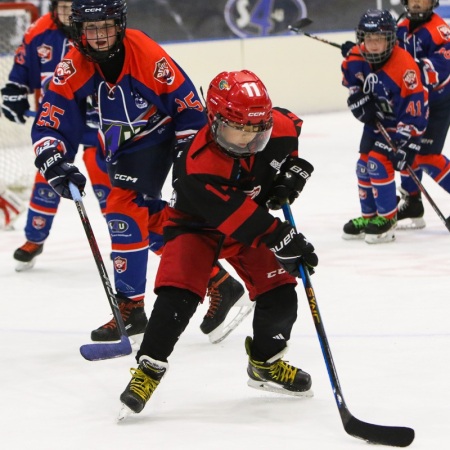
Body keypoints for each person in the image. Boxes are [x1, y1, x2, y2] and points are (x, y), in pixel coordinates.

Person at [31, 0, 246, 344]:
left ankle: (130, 308)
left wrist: (185, 162)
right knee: (149, 218)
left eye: (106, 26)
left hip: (162, 131)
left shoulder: (146, 54)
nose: (99, 36)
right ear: (78, 31)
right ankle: (218, 281)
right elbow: (49, 121)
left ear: (119, 24)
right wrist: (54, 159)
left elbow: (189, 109)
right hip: (121, 145)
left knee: (122, 208)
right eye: (91, 28)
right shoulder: (73, 64)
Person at [117, 69, 318, 418]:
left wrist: (293, 173)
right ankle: (147, 371)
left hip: (249, 225)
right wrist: (281, 237)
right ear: (213, 120)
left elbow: (291, 144)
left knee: (282, 293)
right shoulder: (197, 164)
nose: (245, 139)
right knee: (176, 299)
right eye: (235, 129)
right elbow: (235, 215)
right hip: (197, 228)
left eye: (256, 130)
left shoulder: (279, 127)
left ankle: (265, 364)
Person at [1, 0, 111, 271]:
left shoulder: (95, 30)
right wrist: (15, 90)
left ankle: (121, 239)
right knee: (47, 178)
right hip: (58, 123)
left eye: (71, 6)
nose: (66, 12)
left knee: (105, 180)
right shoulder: (39, 31)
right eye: (61, 6)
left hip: (98, 123)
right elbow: (23, 69)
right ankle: (34, 239)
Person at [341, 9, 428, 244]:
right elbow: (351, 79)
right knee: (362, 166)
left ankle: (387, 218)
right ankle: (369, 217)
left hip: (399, 125)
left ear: (390, 39)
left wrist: (407, 144)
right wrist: (357, 99)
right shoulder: (357, 57)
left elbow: (415, 110)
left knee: (377, 163)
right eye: (368, 39)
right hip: (376, 122)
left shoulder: (405, 67)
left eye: (378, 39)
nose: (373, 45)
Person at [394, 0, 450, 228]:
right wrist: (359, 54)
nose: (417, 3)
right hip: (411, 103)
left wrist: (403, 67)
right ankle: (413, 203)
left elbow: (439, 70)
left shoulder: (440, 31)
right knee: (405, 149)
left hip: (437, 104)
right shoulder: (401, 26)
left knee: (427, 156)